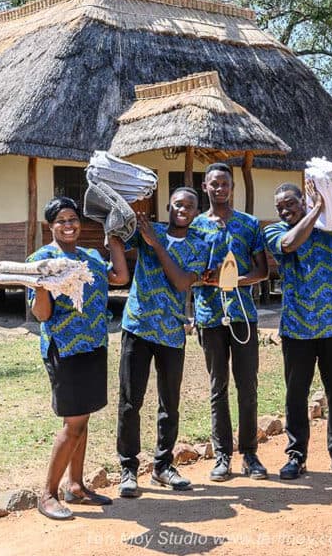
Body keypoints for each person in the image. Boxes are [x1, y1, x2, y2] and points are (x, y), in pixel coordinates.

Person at [28, 196, 130, 520]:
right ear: (51, 226)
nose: (69, 225)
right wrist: (42, 284)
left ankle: (75, 486)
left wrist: (113, 237)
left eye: (73, 219)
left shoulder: (89, 257)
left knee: (82, 418)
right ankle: (47, 494)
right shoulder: (42, 259)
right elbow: (42, 315)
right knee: (73, 423)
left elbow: (120, 278)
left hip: (94, 346)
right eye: (62, 220)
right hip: (65, 349)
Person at [263, 181, 332, 480]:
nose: (285, 211)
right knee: (296, 394)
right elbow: (289, 245)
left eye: (290, 204)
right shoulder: (275, 231)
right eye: (280, 207)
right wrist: (318, 209)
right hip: (297, 328)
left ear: (303, 201)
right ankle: (296, 456)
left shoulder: (329, 227)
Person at [116, 188, 207, 497]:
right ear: (169, 206)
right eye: (178, 204)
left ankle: (162, 466)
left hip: (170, 332)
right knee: (131, 401)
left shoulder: (199, 244)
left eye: (190, 206)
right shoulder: (148, 230)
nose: (183, 209)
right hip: (138, 326)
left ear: (196, 212)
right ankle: (128, 469)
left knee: (170, 403)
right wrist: (116, 222)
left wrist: (158, 247)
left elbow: (182, 282)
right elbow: (117, 238)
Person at [190, 162, 269, 482]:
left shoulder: (249, 225)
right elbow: (189, 273)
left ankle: (250, 453)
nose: (219, 188)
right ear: (205, 188)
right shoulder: (195, 227)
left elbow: (262, 271)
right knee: (217, 387)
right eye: (213, 183)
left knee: (247, 385)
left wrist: (235, 282)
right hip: (209, 317)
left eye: (225, 183)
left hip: (242, 316)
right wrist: (203, 280)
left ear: (232, 187)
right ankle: (222, 456)